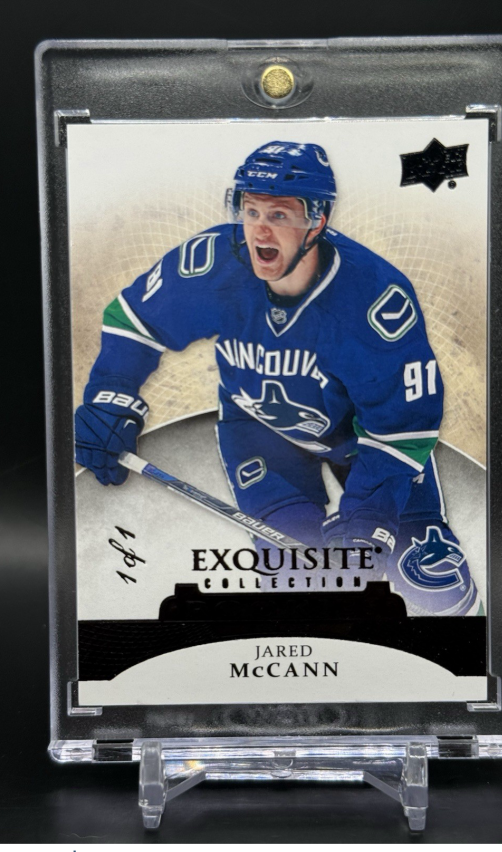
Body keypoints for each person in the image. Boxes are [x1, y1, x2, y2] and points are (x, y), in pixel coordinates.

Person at [75, 141, 481, 616]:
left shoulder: (374, 300)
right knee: (298, 583)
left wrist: (366, 522)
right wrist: (111, 397)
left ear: (317, 221)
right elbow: (135, 321)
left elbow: (403, 426)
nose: (260, 229)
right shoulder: (214, 264)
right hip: (260, 432)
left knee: (430, 581)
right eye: (250, 211)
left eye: (280, 215)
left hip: (368, 444)